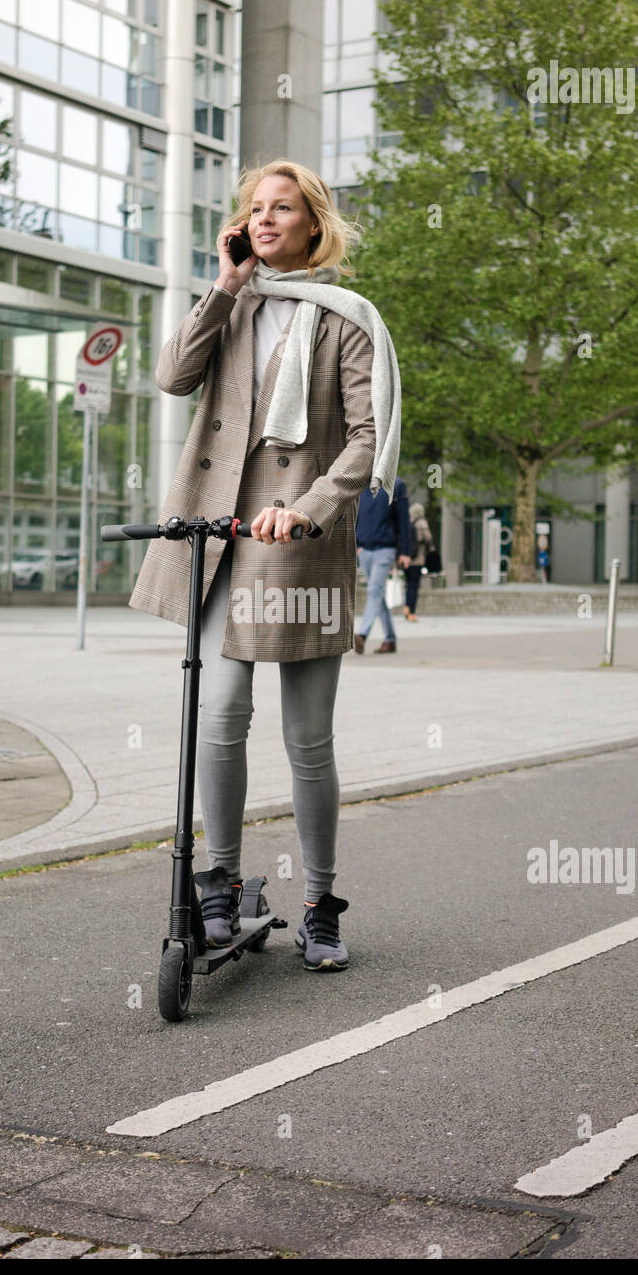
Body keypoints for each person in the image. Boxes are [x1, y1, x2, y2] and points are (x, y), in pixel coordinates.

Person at [128, 160, 401, 972]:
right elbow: (173, 375)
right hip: (222, 535)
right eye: (256, 208)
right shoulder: (233, 303)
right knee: (219, 714)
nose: (267, 217)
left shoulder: (348, 317)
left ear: (314, 225)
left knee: (307, 738)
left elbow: (364, 435)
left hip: (299, 543)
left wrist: (308, 508)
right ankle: (218, 883)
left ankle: (319, 901)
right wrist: (224, 281)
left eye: (283, 208)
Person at [353, 477, 411, 653]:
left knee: (374, 591)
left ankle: (362, 635)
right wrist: (356, 546)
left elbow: (404, 521)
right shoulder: (360, 484)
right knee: (377, 594)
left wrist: (405, 552)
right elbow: (353, 515)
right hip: (364, 551)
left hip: (385, 549)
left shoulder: (397, 486)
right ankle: (390, 639)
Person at [403, 501, 434, 621]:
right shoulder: (421, 523)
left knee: (408, 584)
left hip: (405, 558)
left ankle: (406, 606)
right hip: (418, 558)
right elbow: (428, 538)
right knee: (414, 585)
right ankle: (411, 610)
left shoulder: (406, 521)